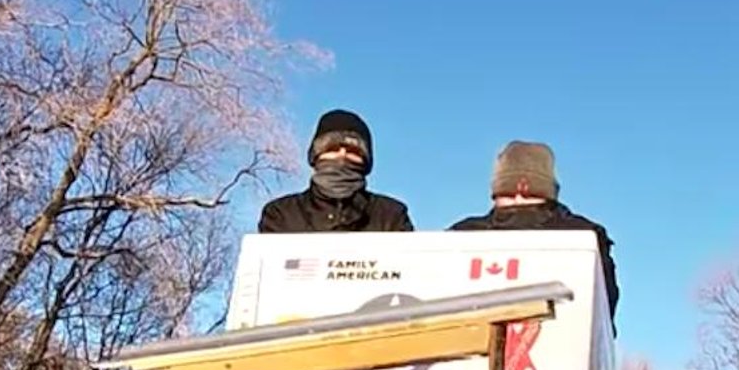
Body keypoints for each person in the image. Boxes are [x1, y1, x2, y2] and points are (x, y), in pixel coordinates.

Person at [449, 140, 620, 321]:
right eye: (508, 193)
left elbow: (601, 315)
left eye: (531, 195)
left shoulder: (585, 239)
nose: (519, 199)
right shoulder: (460, 237)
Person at [257, 109, 415, 233]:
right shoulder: (281, 214)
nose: (342, 156)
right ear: (315, 156)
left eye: (353, 151)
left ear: (366, 162)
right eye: (331, 149)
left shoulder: (391, 215)